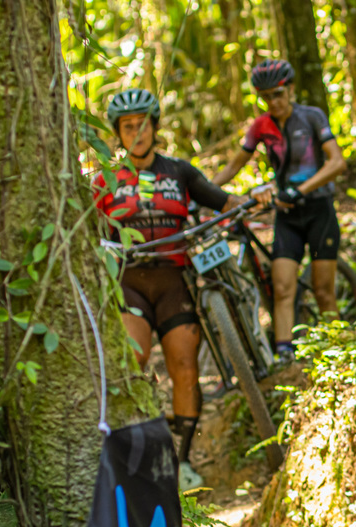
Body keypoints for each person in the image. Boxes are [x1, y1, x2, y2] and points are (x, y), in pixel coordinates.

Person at [94, 88, 268, 491]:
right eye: (128, 126)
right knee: (133, 359)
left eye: (143, 124)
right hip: (129, 284)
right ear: (118, 133)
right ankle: (131, 450)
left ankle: (183, 462)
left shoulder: (179, 172)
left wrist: (254, 198)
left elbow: (223, 200)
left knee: (185, 368)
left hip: (175, 282)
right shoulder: (105, 179)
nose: (137, 132)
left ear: (155, 127)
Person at [214, 58, 346, 367]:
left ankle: (340, 352)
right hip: (287, 216)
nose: (273, 102)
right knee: (283, 287)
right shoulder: (261, 126)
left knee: (323, 291)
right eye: (266, 97)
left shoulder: (311, 117)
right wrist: (201, 192)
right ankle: (284, 353)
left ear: (290, 90)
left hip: (319, 211)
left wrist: (301, 190)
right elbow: (234, 166)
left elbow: (337, 162)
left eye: (278, 94)